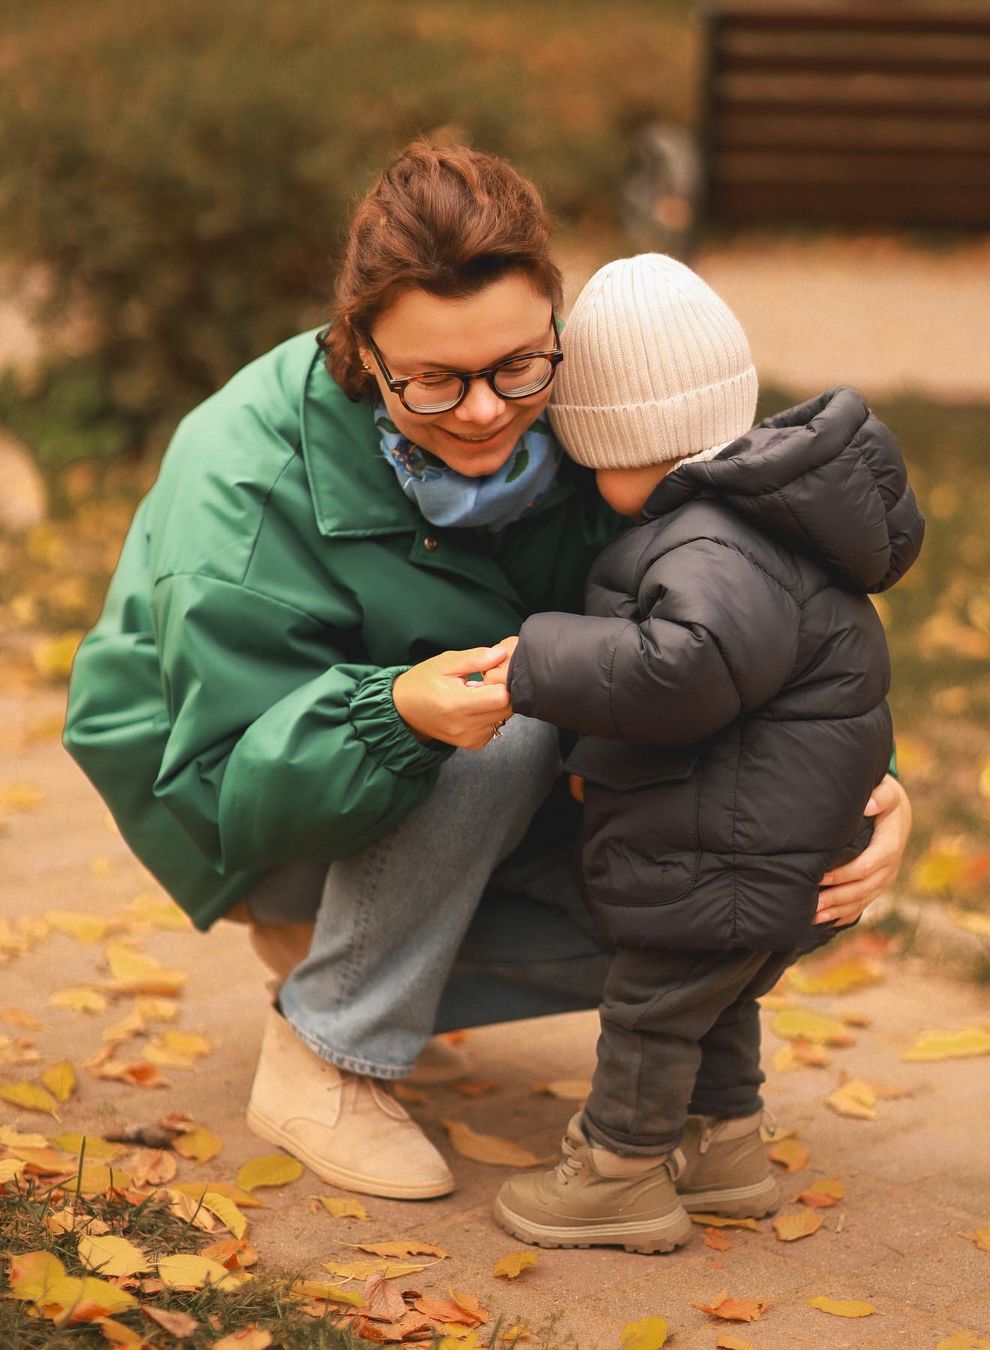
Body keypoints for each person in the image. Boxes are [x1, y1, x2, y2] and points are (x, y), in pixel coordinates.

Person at [63, 142, 913, 1203]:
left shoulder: (594, 414)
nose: (482, 412)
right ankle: (324, 1042)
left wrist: (864, 782)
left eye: (516, 366)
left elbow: (740, 611)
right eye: (432, 380)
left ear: (556, 330)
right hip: (248, 796)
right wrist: (393, 710)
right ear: (358, 351)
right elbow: (227, 788)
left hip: (491, 771)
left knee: (772, 876)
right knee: (505, 728)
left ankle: (383, 963)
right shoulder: (246, 477)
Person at [489, 254, 924, 1252]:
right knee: (710, 1002)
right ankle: (724, 1152)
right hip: (766, 838)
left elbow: (684, 673)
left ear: (626, 442)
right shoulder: (758, 527)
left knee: (650, 1008)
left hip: (729, 843)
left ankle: (617, 1176)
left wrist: (538, 656)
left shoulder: (707, 545)